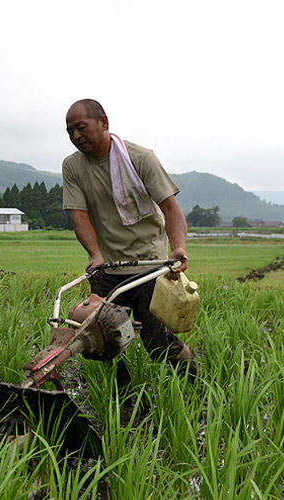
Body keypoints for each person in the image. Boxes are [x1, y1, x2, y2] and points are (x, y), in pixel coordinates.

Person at [61, 98, 196, 377]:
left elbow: (170, 208)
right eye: (70, 131)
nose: (76, 136)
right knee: (100, 340)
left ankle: (195, 385)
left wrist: (178, 247)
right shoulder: (73, 166)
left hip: (150, 267)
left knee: (157, 343)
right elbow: (79, 216)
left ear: (104, 123)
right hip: (108, 268)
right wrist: (95, 255)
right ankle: (121, 398)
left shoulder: (140, 158)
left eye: (81, 127)